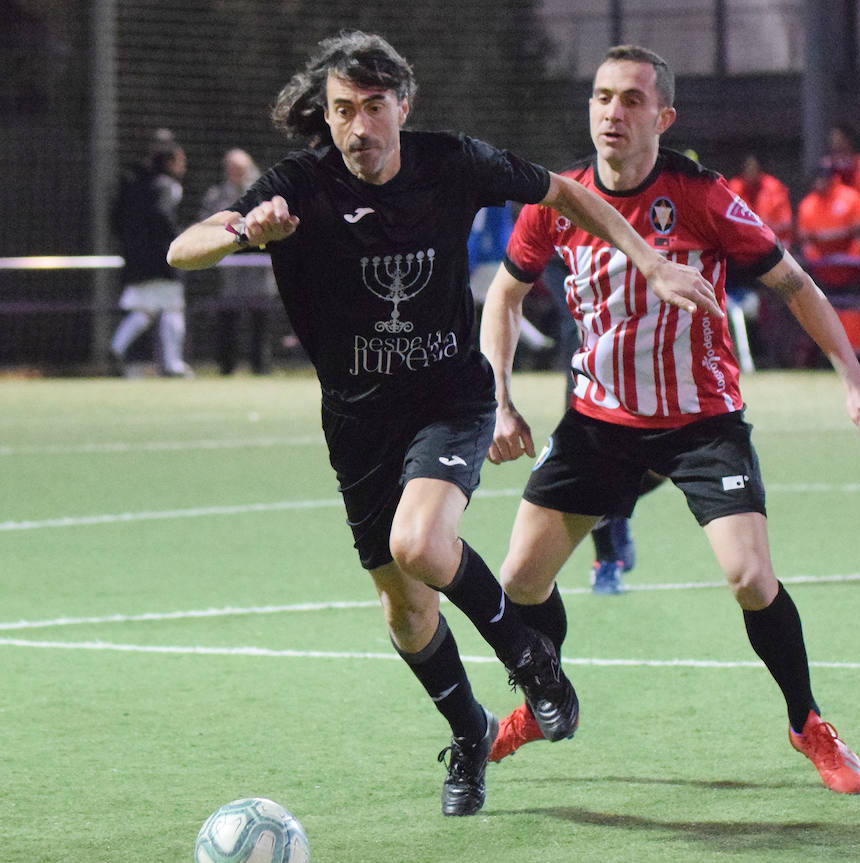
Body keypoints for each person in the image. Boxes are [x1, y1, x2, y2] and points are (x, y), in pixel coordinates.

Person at [165, 30, 719, 817]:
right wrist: (240, 232)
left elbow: (566, 194)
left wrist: (650, 259)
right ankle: (470, 731)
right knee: (405, 608)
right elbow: (183, 248)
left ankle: (530, 659)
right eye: (342, 111)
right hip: (357, 421)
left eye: (374, 108)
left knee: (420, 544)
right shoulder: (299, 184)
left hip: (450, 398)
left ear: (404, 105)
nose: (359, 128)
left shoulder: (451, 161)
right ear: (326, 116)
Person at [480, 44, 860, 794]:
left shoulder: (702, 196)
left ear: (663, 117)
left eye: (632, 100)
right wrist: (501, 397)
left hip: (703, 420)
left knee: (749, 575)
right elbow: (503, 297)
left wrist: (856, 382)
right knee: (518, 581)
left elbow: (795, 284)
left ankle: (808, 722)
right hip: (599, 421)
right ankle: (546, 701)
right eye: (603, 96)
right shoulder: (561, 199)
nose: (613, 111)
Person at [110, 131, 192, 377]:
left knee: (143, 310)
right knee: (173, 308)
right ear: (169, 162)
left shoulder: (134, 183)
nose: (183, 166)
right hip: (162, 259)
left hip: (135, 257)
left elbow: (115, 218)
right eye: (180, 160)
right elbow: (162, 217)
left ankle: (114, 350)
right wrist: (180, 239)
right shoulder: (168, 186)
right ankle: (172, 365)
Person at [199, 148, 280, 375]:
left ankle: (261, 366)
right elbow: (208, 223)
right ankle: (227, 366)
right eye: (232, 168)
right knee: (228, 317)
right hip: (231, 266)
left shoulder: (265, 192)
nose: (236, 172)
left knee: (260, 318)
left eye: (240, 168)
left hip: (259, 265)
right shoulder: (217, 195)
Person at [795, 161, 860, 291]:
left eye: (823, 178)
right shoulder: (807, 204)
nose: (820, 182)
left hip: (849, 259)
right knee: (807, 251)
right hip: (821, 264)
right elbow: (804, 236)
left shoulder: (851, 197)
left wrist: (840, 235)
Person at [727, 153, 794, 246]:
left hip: (773, 244)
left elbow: (786, 223)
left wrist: (762, 226)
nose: (750, 171)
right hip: (742, 246)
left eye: (754, 167)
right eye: (747, 167)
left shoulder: (774, 187)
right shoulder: (733, 188)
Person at [825, 124, 860, 200]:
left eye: (838, 137)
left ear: (848, 139)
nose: (835, 141)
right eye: (833, 138)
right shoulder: (827, 164)